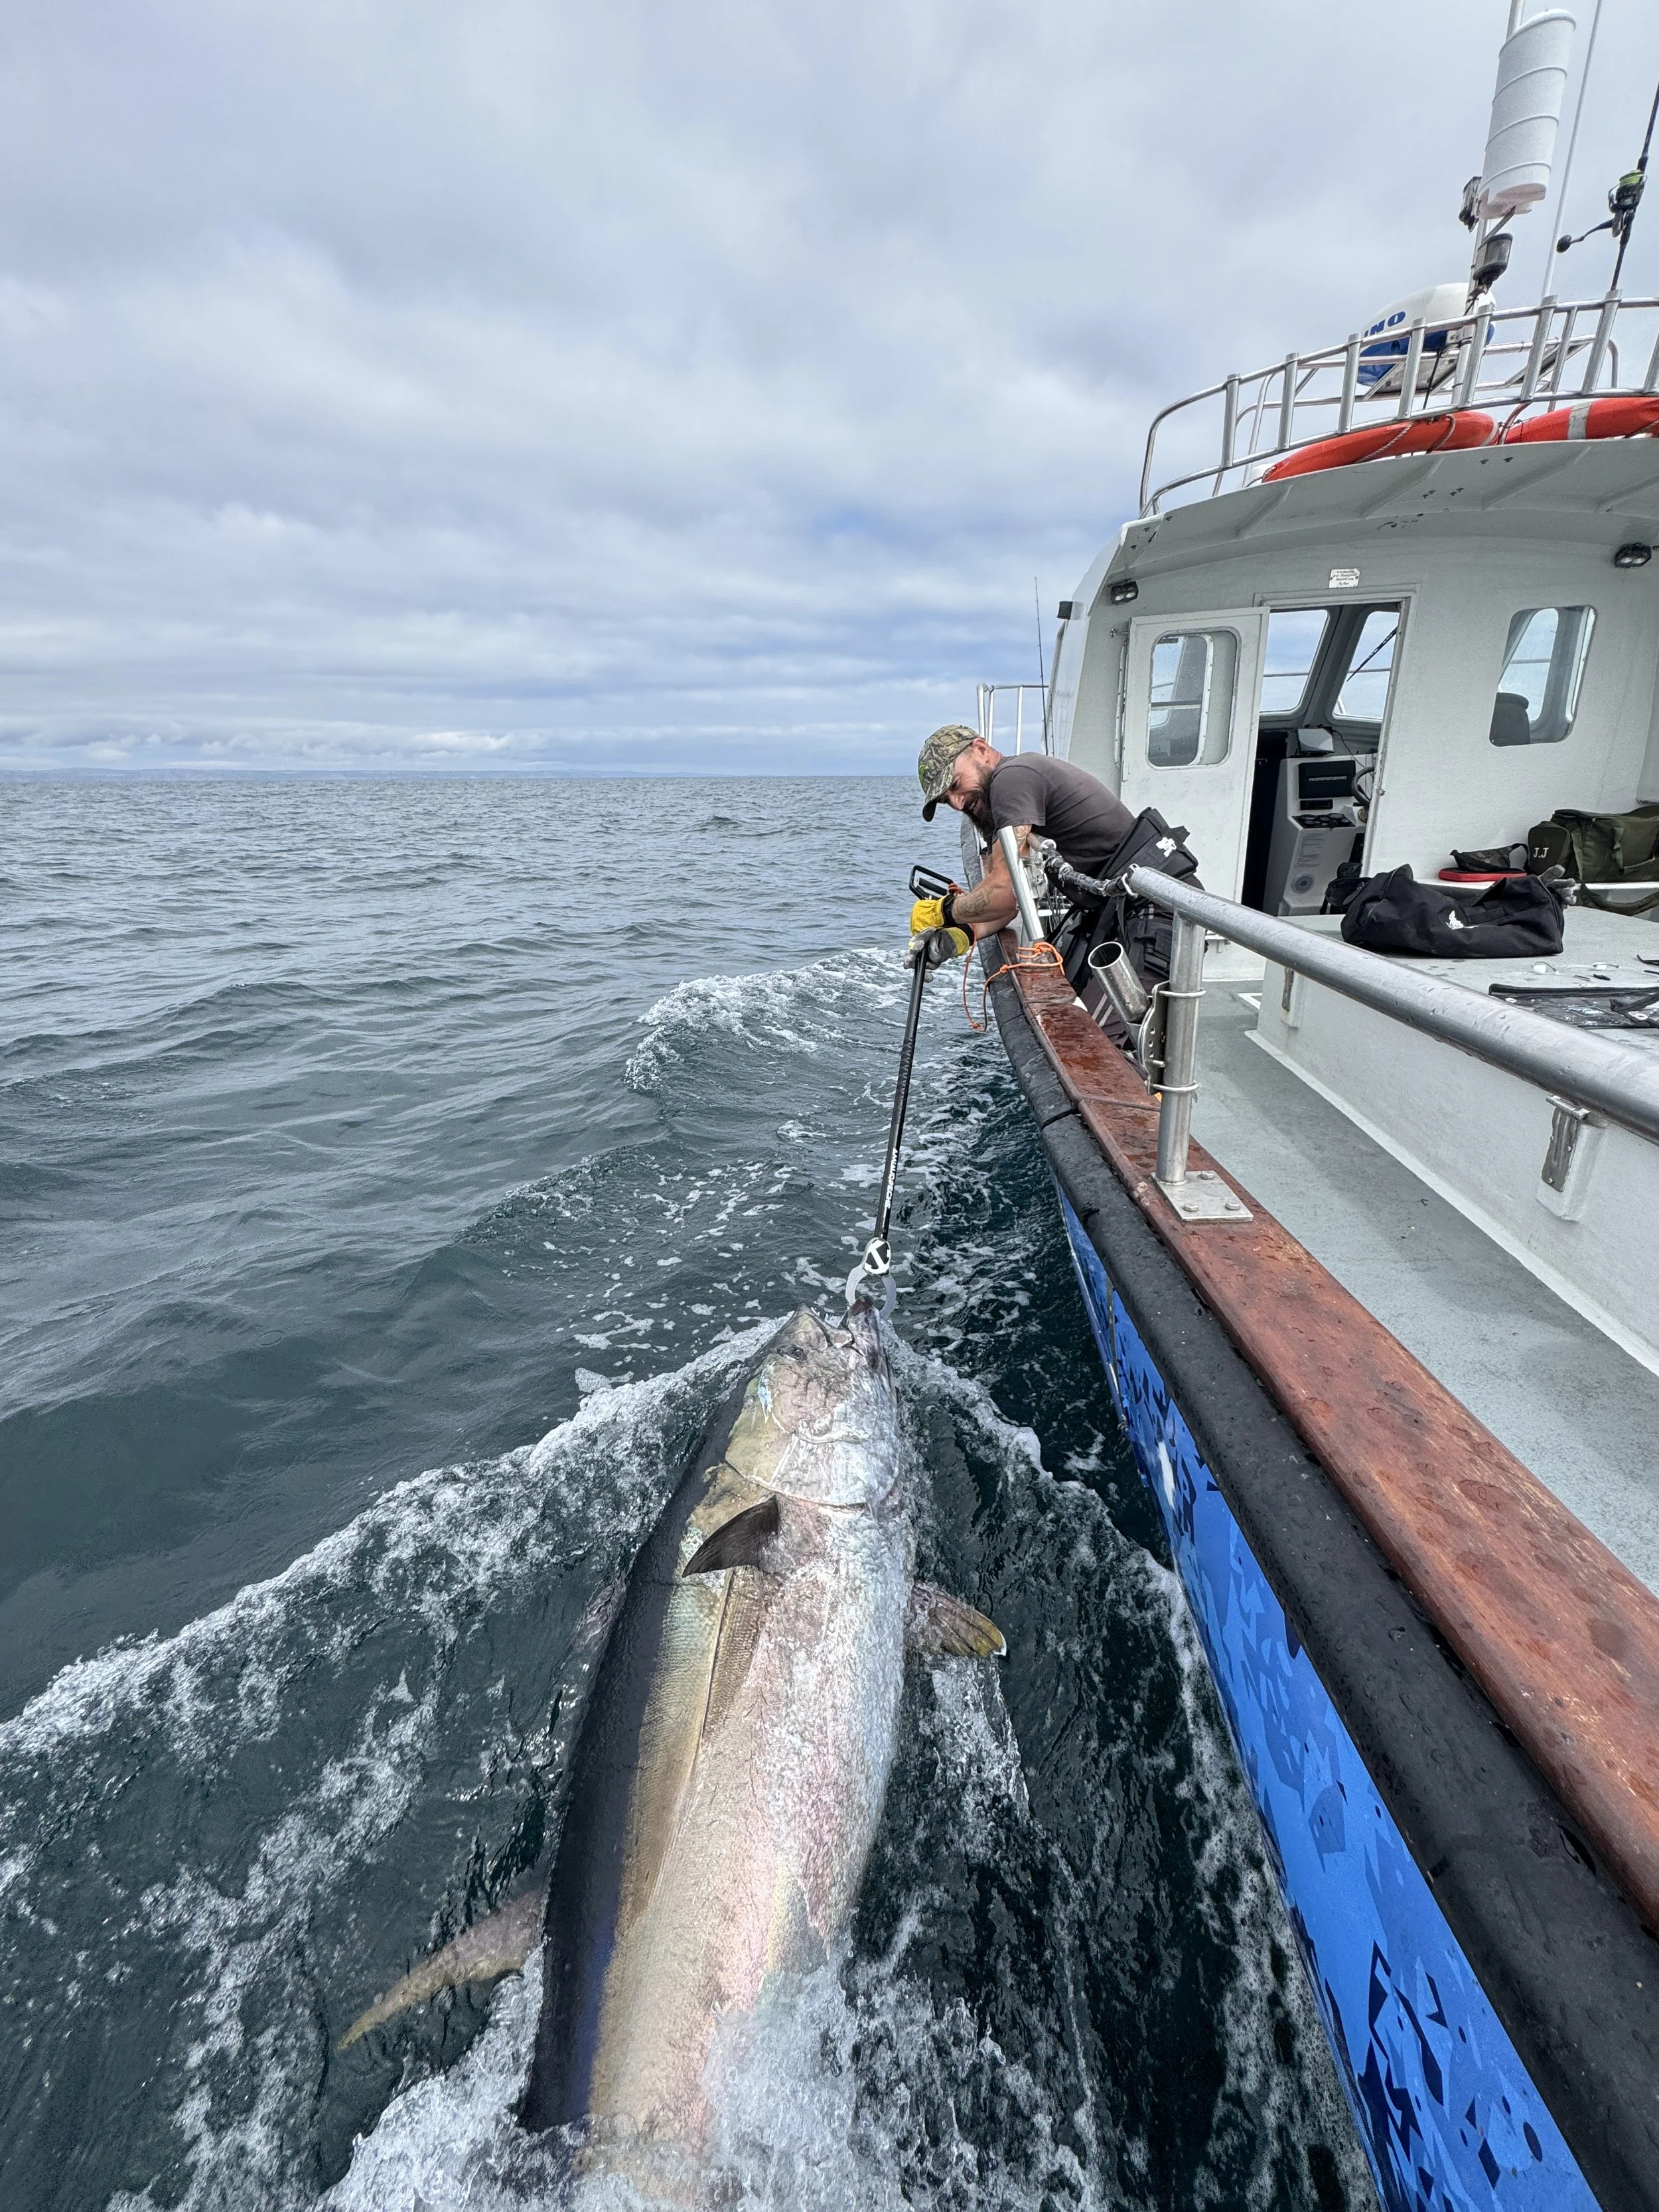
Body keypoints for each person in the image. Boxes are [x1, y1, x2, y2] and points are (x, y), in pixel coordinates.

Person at [907, 724, 1141, 956]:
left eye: (956, 785)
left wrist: (943, 911)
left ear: (981, 749)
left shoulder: (1011, 780)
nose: (958, 803)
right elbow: (1008, 905)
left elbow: (1004, 893)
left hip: (1147, 901)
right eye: (946, 801)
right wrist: (958, 937)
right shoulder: (999, 795)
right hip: (1120, 904)